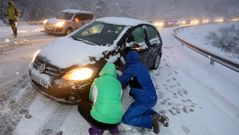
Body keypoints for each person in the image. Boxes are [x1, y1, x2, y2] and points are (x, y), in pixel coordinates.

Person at [117, 50, 169, 134]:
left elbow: (121, 80)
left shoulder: (131, 69)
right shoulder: (142, 66)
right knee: (142, 110)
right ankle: (159, 117)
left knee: (126, 119)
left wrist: (113, 75)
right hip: (152, 98)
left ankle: (150, 120)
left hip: (143, 101)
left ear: (128, 60)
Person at [78, 63, 123, 135]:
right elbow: (119, 99)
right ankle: (113, 128)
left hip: (99, 121)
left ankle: (97, 129)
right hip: (116, 121)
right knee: (112, 107)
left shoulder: (97, 81)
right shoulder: (118, 83)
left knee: (81, 105)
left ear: (103, 70)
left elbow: (91, 97)